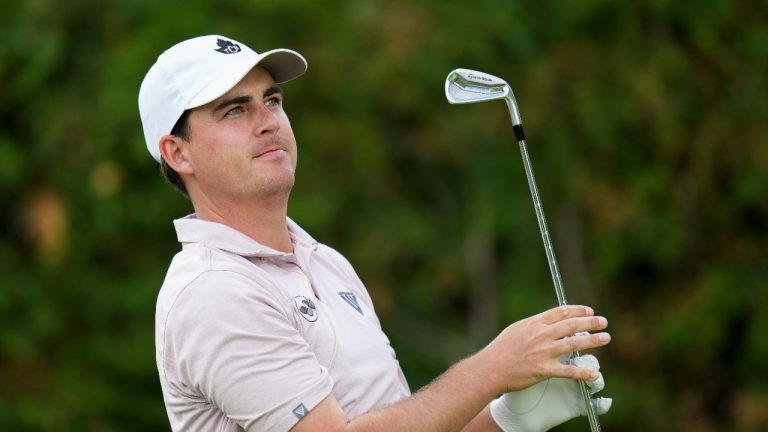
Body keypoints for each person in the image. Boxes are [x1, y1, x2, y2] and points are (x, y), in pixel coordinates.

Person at [138, 34, 612, 432]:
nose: (268, 121)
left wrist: (507, 417)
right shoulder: (214, 292)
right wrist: (491, 369)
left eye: (273, 100)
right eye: (235, 110)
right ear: (178, 153)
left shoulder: (324, 261)